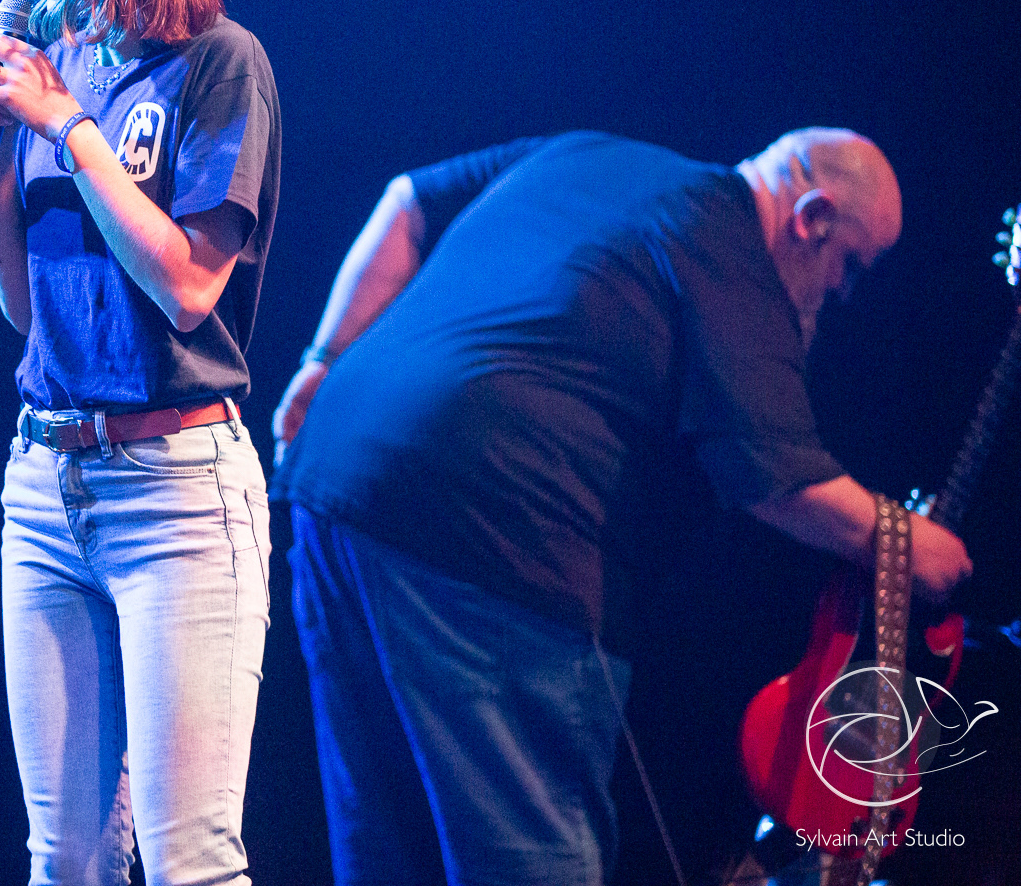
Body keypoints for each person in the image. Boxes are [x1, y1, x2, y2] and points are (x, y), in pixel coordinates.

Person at [266, 129, 972, 886]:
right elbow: (780, 478)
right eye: (849, 268)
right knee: (533, 862)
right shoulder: (731, 244)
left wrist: (322, 360)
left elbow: (406, 201)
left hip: (336, 483)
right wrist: (908, 540)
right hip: (494, 534)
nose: (841, 294)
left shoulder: (586, 153)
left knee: (388, 848)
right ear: (813, 218)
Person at [0, 0, 281, 886]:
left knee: (192, 861)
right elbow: (22, 308)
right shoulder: (57, 69)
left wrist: (65, 127)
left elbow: (187, 287)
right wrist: (0, 158)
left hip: (175, 490)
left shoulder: (219, 64)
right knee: (67, 860)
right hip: (46, 487)